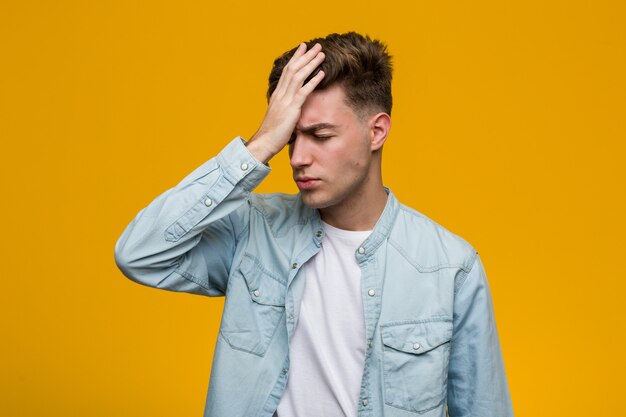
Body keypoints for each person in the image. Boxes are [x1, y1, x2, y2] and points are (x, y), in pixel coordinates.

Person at [114, 32, 513, 417]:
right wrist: (261, 144)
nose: (297, 157)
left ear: (376, 131)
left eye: (320, 135)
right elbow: (140, 254)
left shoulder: (450, 268)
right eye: (290, 138)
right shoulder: (253, 231)